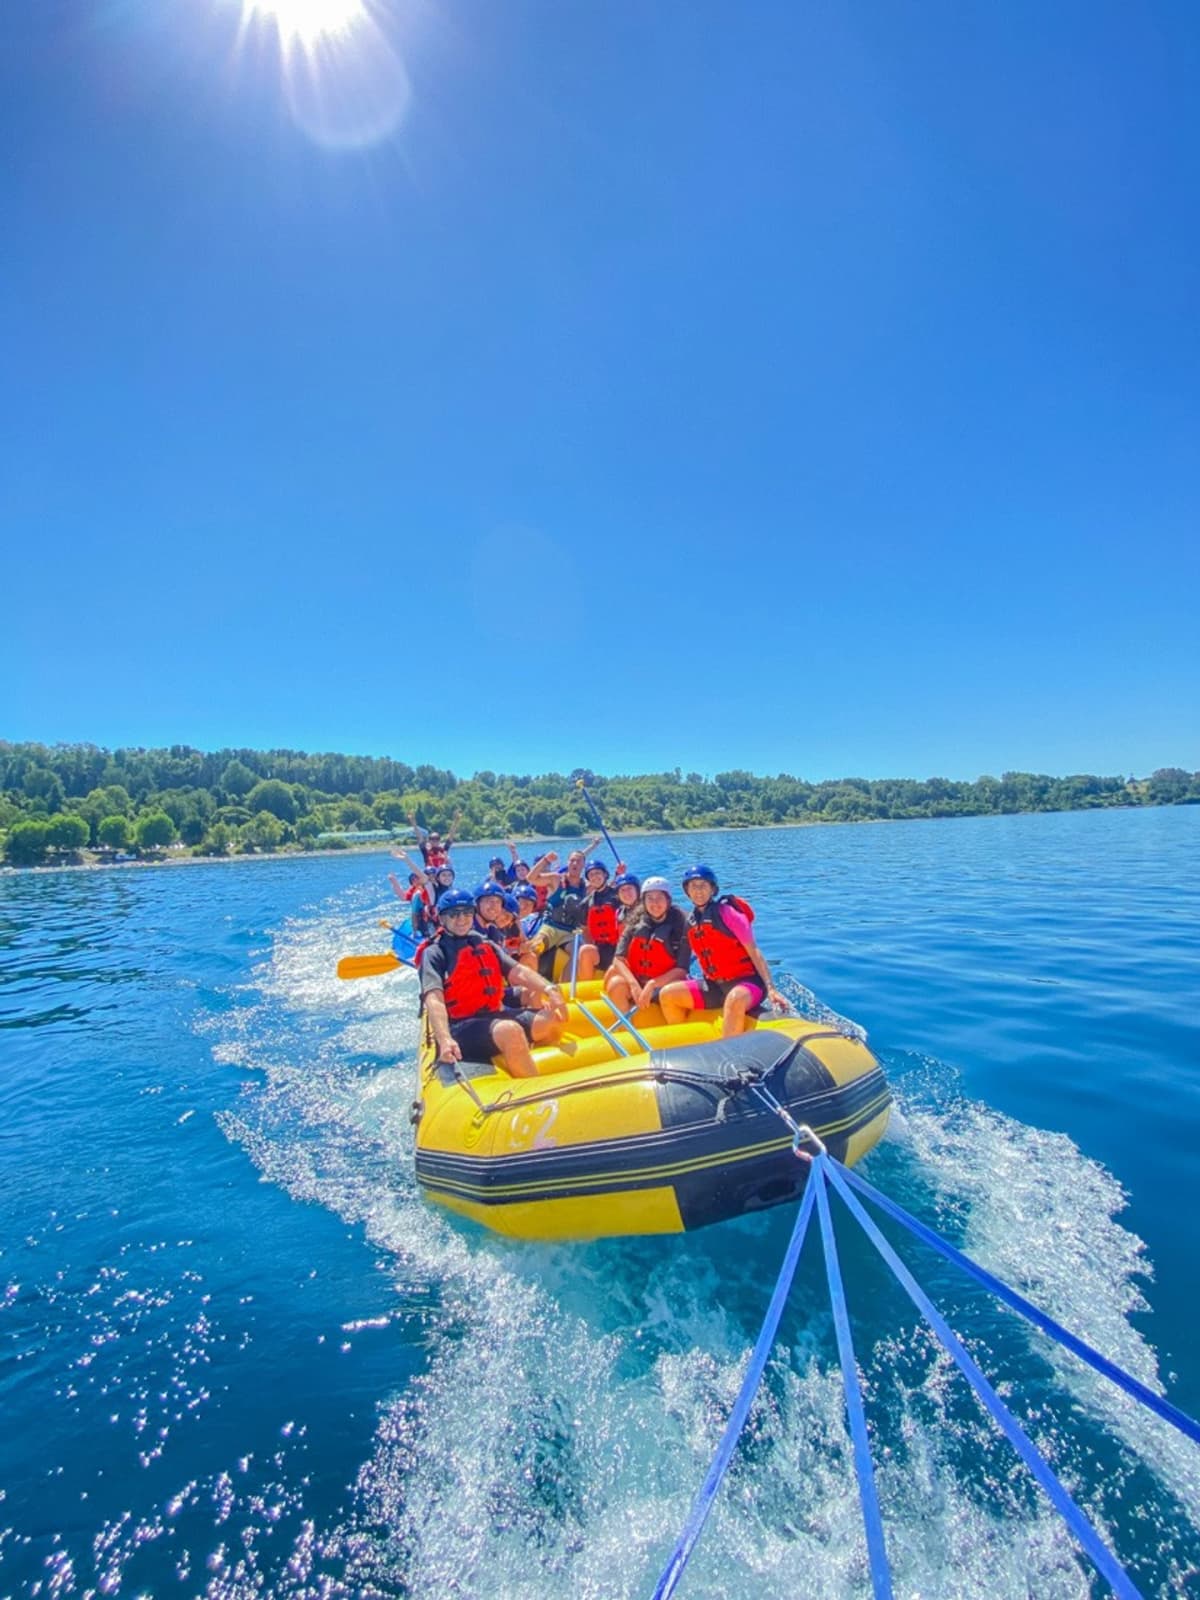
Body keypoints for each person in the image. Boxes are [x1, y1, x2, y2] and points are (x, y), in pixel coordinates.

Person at [420, 889, 568, 1077]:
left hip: (493, 1014)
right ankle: (536, 1092)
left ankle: (526, 1061)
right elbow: (434, 1000)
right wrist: (444, 1038)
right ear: (442, 918)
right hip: (460, 1025)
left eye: (466, 913)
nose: (461, 919)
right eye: (453, 914)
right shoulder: (435, 953)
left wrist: (550, 989)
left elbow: (518, 971)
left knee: (550, 1019)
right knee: (510, 1030)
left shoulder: (484, 943)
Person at [658, 864, 785, 1037]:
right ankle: (688, 1044)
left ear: (712, 889)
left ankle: (728, 1057)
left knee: (735, 999)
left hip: (747, 984)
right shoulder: (690, 923)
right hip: (714, 987)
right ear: (687, 891)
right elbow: (683, 963)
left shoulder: (728, 913)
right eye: (693, 886)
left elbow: (754, 951)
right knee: (667, 995)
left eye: (703, 885)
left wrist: (771, 988)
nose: (698, 891)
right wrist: (654, 983)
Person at [605, 875, 691, 1014]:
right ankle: (625, 1030)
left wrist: (652, 984)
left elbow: (682, 969)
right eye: (650, 898)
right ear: (643, 901)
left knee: (670, 992)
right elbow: (618, 959)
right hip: (638, 982)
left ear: (668, 900)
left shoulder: (681, 925)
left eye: (659, 898)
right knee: (616, 984)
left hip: (665, 984)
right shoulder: (634, 922)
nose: (654, 903)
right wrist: (633, 984)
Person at [576, 858, 627, 980]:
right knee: (586, 950)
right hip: (601, 949)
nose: (595, 877)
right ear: (588, 879)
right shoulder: (586, 903)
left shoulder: (618, 896)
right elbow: (585, 930)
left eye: (598, 873)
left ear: (605, 874)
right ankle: (586, 990)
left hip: (620, 949)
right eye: (591, 875)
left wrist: (619, 874)